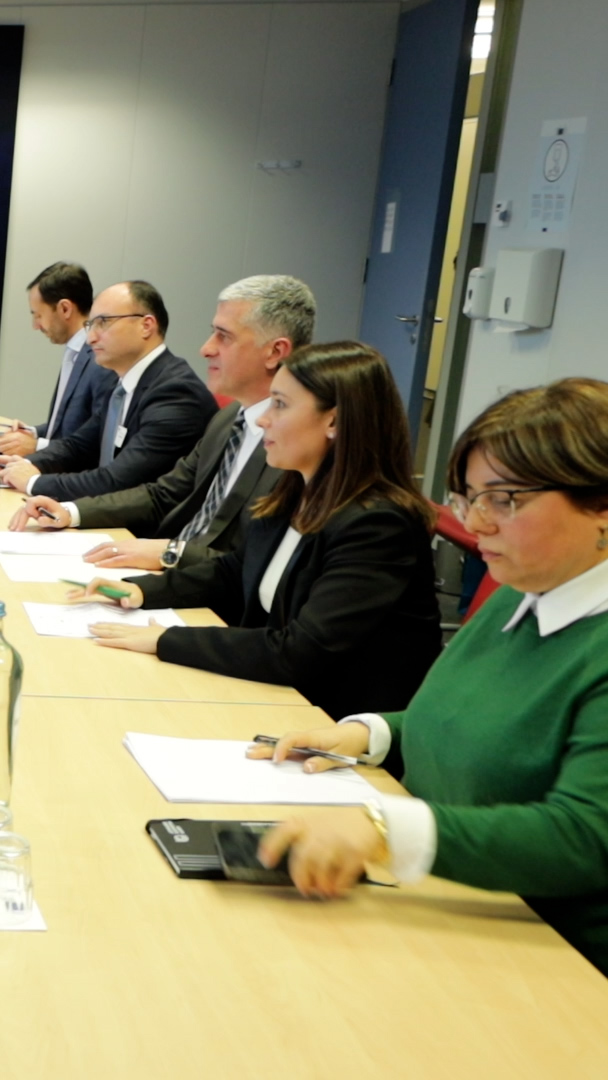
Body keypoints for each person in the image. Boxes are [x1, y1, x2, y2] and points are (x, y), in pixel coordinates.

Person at [250, 378, 608, 975]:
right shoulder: (525, 587)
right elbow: (479, 720)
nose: (478, 523)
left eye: (505, 500)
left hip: (555, 959)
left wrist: (384, 828)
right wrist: (370, 733)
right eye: (469, 498)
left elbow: (584, 837)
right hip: (451, 902)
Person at [70, 341, 440, 718]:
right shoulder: (295, 488)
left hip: (330, 719)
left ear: (334, 422)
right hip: (276, 695)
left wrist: (168, 640)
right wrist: (140, 590)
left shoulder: (377, 524)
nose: (263, 420)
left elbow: (299, 651)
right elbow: (234, 572)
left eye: (280, 404)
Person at [9, 275, 314, 572]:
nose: (206, 349)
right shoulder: (229, 418)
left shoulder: (295, 448)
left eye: (224, 336)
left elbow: (242, 560)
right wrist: (70, 511)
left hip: (194, 578)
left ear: (275, 352)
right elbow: (162, 493)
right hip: (171, 563)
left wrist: (168, 555)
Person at [0, 280, 216, 501]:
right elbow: (79, 446)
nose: (91, 338)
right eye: (91, 325)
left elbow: (118, 481)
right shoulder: (120, 383)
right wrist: (22, 464)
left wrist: (33, 482)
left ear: (146, 326)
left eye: (103, 322)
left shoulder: (176, 393)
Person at [0, 261, 114, 459]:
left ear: (65, 309)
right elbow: (67, 427)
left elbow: (95, 443)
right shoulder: (75, 352)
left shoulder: (101, 362)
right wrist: (31, 433)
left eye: (38, 315)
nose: (35, 326)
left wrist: (36, 446)